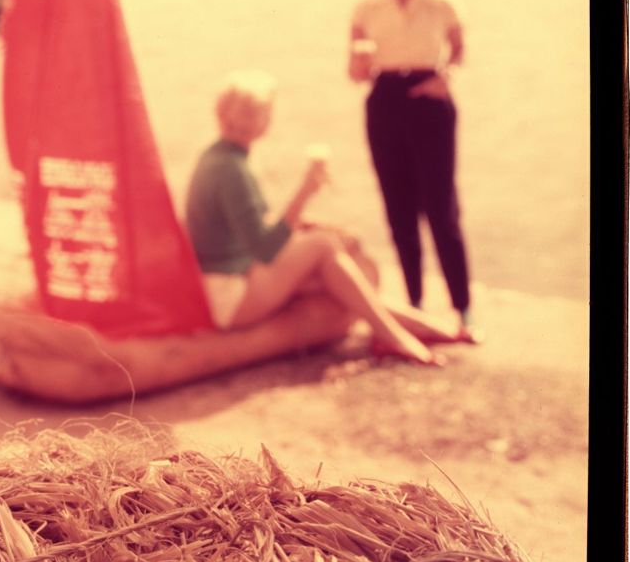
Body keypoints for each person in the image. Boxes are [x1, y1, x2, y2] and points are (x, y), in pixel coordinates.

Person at [185, 69, 462, 365]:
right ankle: (396, 337)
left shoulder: (219, 157)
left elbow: (251, 231)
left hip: (226, 283)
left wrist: (299, 221)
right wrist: (306, 190)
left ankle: (419, 327)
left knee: (334, 276)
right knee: (322, 246)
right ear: (261, 120)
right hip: (229, 296)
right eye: (261, 112)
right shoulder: (231, 169)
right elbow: (265, 249)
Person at [349, 0, 478, 342]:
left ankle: (462, 309)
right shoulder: (366, 7)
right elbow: (354, 70)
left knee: (441, 208)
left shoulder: (441, 2)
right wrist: (358, 64)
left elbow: (459, 50)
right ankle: (416, 306)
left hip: (429, 100)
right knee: (398, 208)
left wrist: (446, 78)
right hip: (384, 100)